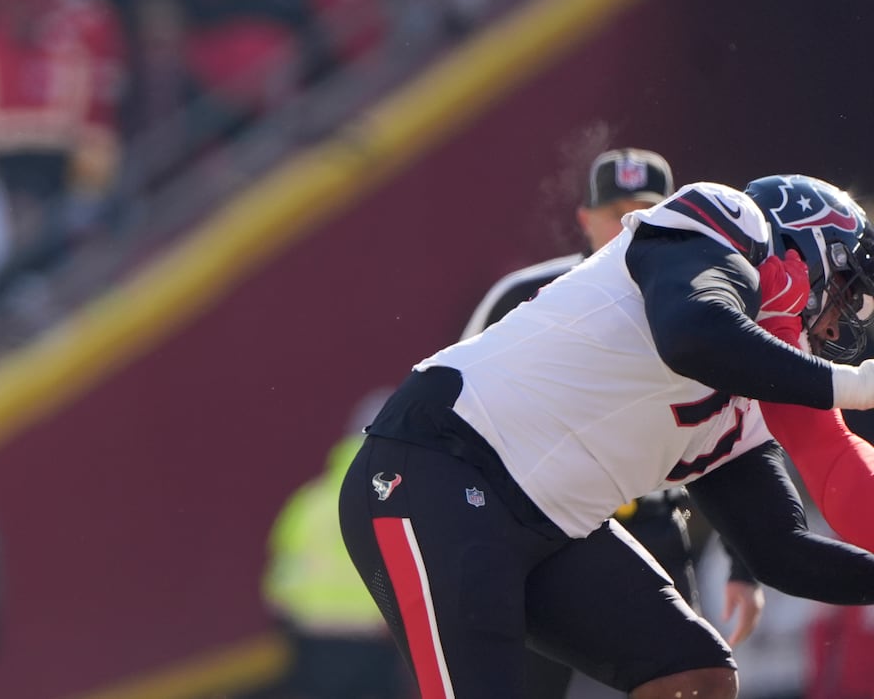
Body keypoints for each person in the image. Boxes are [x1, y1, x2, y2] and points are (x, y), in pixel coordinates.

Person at [339, 171, 874, 699]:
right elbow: (692, 332)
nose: (834, 328)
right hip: (438, 471)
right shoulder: (725, 222)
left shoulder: (757, 394)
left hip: (556, 525)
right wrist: (845, 385)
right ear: (810, 242)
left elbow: (781, 551)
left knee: (692, 678)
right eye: (846, 295)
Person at [460, 148, 762, 699]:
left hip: (650, 523)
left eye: (645, 208)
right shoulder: (521, 296)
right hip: (542, 523)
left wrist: (748, 561)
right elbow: (461, 414)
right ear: (585, 218)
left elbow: (738, 436)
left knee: (685, 679)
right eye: (615, 209)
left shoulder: (704, 302)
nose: (628, 223)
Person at [262, 388, 410, 699]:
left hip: (312, 639)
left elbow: (279, 580)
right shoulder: (394, 501)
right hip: (374, 640)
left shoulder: (309, 501)